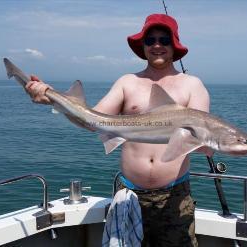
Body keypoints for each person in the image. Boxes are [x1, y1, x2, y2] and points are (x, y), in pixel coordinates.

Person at [26, 13, 212, 247]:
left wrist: (224, 145)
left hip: (175, 196)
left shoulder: (192, 85)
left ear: (174, 45)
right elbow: (90, 121)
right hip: (129, 194)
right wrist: (53, 100)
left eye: (164, 40)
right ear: (142, 46)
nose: (157, 45)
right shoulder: (127, 82)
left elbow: (203, 139)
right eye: (150, 40)